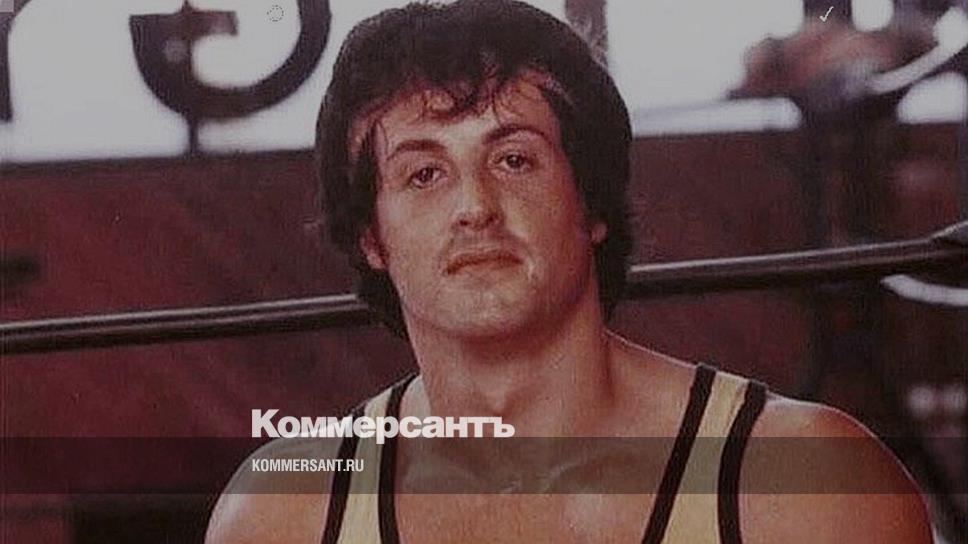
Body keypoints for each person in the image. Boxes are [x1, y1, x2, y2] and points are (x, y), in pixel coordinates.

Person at [205, 1, 932, 542]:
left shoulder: (807, 490)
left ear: (591, 202)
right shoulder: (283, 515)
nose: (474, 208)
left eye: (513, 159)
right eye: (424, 174)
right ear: (371, 237)